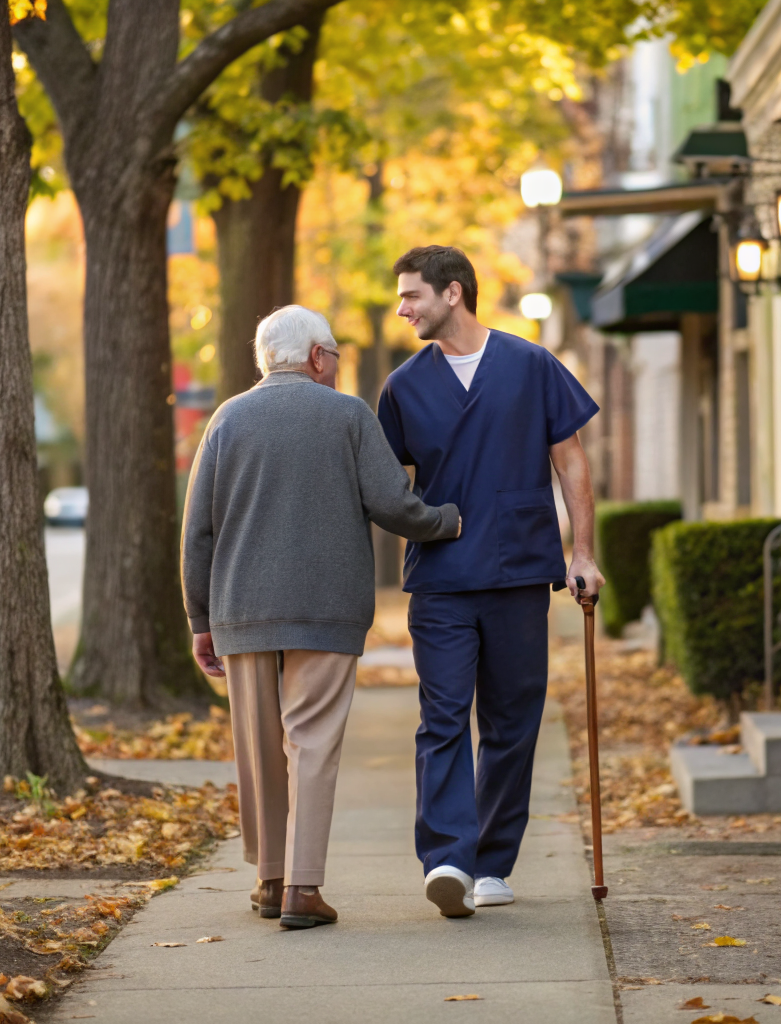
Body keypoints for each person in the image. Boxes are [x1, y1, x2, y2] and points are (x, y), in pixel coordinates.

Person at [181, 304, 461, 930]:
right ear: (314, 357)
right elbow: (394, 503)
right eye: (333, 352)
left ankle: (269, 880)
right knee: (311, 744)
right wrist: (448, 520)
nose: (336, 363)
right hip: (326, 611)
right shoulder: (347, 415)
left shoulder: (226, 420)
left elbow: (197, 530)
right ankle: (303, 892)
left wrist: (201, 619)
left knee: (259, 749)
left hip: (241, 611)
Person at [378, 245, 603, 918]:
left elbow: (571, 461)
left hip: (518, 573)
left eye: (411, 295)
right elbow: (387, 487)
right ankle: (447, 856)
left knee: (511, 719)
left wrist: (583, 552)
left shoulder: (530, 364)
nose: (401, 308)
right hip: (442, 580)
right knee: (442, 718)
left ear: (452, 293)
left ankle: (492, 863)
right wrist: (424, 523)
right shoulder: (402, 386)